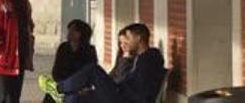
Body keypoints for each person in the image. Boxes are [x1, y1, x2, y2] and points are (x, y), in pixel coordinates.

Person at [38, 23, 166, 103]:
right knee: (73, 98)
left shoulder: (150, 58)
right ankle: (61, 92)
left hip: (124, 98)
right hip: (120, 95)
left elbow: (136, 87)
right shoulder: (143, 58)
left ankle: (59, 88)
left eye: (128, 38)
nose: (125, 43)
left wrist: (112, 86)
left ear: (138, 38)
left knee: (93, 70)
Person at [44, 20, 98, 103]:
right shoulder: (63, 48)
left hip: (80, 87)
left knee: (74, 97)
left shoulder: (89, 50)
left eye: (72, 30)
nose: (69, 32)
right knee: (51, 96)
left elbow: (90, 73)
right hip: (63, 84)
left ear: (80, 34)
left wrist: (80, 87)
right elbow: (56, 71)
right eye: (69, 30)